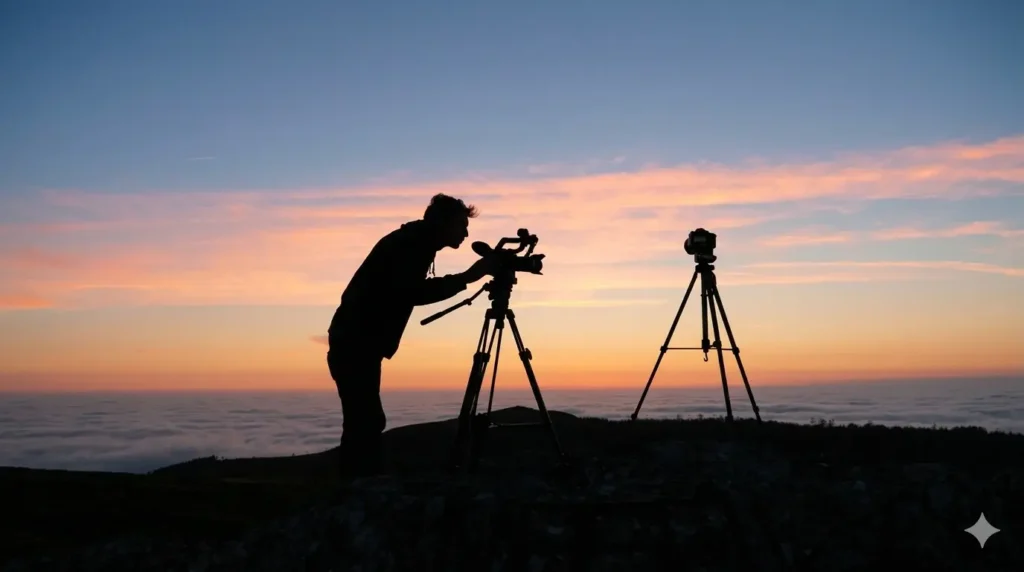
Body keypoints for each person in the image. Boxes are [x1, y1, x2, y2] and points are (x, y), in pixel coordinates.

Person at [325, 193, 493, 477]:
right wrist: (467, 278)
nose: (466, 233)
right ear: (443, 223)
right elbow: (411, 291)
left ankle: (357, 486)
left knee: (364, 419)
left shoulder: (415, 241)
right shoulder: (412, 244)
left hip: (356, 340)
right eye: (462, 225)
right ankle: (357, 489)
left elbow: (405, 290)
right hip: (356, 342)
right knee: (364, 421)